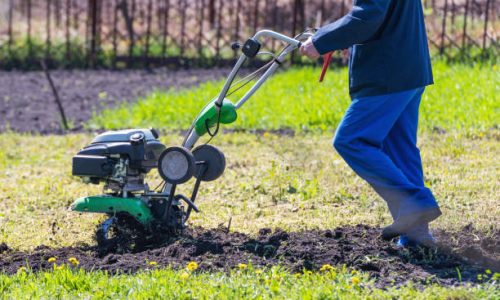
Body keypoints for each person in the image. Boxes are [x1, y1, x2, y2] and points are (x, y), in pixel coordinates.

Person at [300, 0, 442, 247]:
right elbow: (383, 16)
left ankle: (413, 202)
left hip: (386, 71)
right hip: (408, 67)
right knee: (400, 148)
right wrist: (347, 40)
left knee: (351, 140)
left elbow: (368, 16)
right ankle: (416, 235)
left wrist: (321, 40)